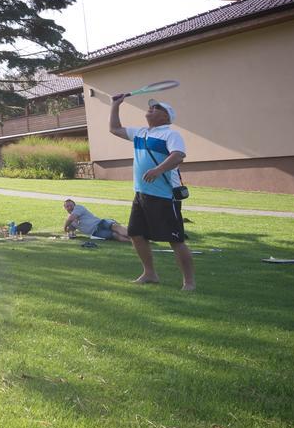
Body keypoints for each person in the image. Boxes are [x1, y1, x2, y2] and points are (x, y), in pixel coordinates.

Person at [109, 94, 195, 291]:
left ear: (166, 117)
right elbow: (114, 129)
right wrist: (115, 105)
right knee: (136, 235)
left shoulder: (170, 134)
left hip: (165, 196)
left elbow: (178, 155)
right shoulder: (140, 133)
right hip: (141, 194)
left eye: (157, 108)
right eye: (151, 107)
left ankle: (189, 282)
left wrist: (158, 170)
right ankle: (150, 273)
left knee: (175, 239)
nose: (151, 109)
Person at [62, 198, 129, 242]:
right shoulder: (70, 220)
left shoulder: (78, 208)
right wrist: (69, 232)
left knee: (116, 227)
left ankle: (135, 235)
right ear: (65, 208)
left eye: (71, 205)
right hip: (96, 232)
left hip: (100, 222)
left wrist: (64, 228)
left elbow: (71, 219)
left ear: (75, 205)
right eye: (67, 206)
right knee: (114, 235)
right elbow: (71, 230)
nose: (70, 207)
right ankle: (133, 241)